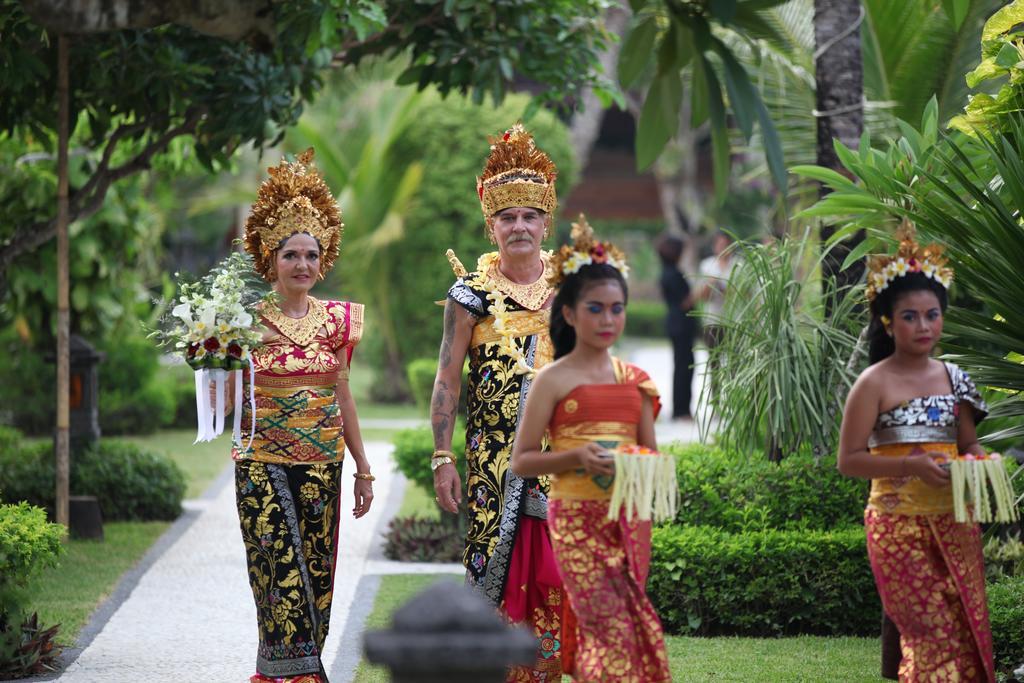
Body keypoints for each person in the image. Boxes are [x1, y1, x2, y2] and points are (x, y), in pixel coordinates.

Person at [232, 149, 374, 683]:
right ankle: (289, 677)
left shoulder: (338, 321)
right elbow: (224, 400)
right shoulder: (242, 321)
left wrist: (362, 467)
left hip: (322, 465)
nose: (302, 265)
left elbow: (344, 397)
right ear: (270, 259)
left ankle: (297, 671)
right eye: (291, 254)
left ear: (323, 259)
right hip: (260, 462)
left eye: (311, 255)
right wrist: (227, 348)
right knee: (277, 573)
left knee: (317, 577)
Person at [510, 218, 672, 683]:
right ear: (569, 314)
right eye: (596, 309)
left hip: (626, 521)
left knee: (633, 629)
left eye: (617, 309)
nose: (608, 321)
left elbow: (651, 459)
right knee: (606, 629)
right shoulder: (551, 380)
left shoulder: (636, 381)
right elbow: (523, 461)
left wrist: (635, 467)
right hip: (575, 518)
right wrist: (577, 458)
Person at [429, 124, 563, 680]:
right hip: (493, 464)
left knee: (558, 573)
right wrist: (442, 458)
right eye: (507, 217)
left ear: (545, 222)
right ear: (491, 225)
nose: (519, 227)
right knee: (496, 574)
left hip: (562, 463)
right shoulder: (469, 297)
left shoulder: (572, 288)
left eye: (530, 215)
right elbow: (447, 381)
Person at [837, 226, 995, 682]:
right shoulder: (873, 383)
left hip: (955, 520)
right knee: (931, 634)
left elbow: (968, 444)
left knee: (965, 633)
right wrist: (911, 465)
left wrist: (981, 463)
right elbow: (848, 460)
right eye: (910, 316)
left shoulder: (954, 378)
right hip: (896, 526)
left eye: (932, 315)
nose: (923, 326)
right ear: (888, 321)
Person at [657, 233, 696, 419]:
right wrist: (701, 292)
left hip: (676, 324)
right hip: (681, 324)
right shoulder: (673, 274)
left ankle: (681, 408)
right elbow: (684, 302)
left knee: (682, 364)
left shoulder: (667, 272)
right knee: (684, 365)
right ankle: (681, 409)